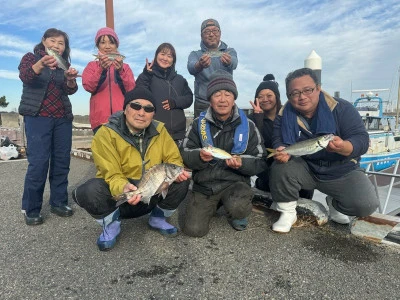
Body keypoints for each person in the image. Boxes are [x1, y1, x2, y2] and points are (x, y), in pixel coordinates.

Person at [72, 87, 191, 251]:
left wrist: (176, 174)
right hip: (122, 197)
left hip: (151, 193)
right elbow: (111, 174)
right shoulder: (105, 134)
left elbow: (173, 159)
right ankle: (111, 224)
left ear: (153, 114)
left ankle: (157, 217)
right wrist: (123, 187)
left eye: (148, 109)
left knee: (182, 180)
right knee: (89, 190)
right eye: (136, 106)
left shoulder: (161, 130)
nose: (142, 112)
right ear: (125, 109)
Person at [269, 67, 379, 233]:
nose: (302, 97)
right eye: (295, 93)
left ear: (318, 88)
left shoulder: (342, 108)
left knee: (366, 205)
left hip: (341, 168)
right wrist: (281, 150)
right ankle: (287, 212)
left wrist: (344, 147)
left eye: (308, 90)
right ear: (288, 96)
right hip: (305, 167)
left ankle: (335, 204)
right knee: (279, 168)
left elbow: (361, 139)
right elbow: (278, 139)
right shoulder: (283, 114)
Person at [181, 70, 268, 237]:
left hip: (235, 183)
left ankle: (236, 213)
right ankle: (213, 205)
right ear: (210, 99)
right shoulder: (197, 124)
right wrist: (199, 156)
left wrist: (242, 163)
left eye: (227, 94)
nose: (222, 99)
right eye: (217, 94)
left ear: (234, 98)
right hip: (205, 185)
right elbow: (184, 152)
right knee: (194, 230)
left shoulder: (248, 125)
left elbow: (261, 159)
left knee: (238, 207)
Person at [18, 28, 79, 225]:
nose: (56, 45)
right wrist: (40, 64)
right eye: (52, 41)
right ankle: (31, 207)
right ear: (44, 41)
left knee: (62, 161)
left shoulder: (64, 64)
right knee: (38, 163)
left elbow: (70, 90)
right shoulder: (30, 58)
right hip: (37, 117)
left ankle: (59, 202)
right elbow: (26, 76)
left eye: (61, 43)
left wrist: (70, 80)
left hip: (62, 118)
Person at [248, 74, 314, 199]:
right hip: (267, 165)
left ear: (277, 97)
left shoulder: (289, 114)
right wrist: (258, 118)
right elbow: (255, 143)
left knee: (304, 193)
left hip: (294, 161)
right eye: (260, 97)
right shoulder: (251, 119)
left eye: (269, 95)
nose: (265, 99)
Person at [136, 43, 193, 145]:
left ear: (173, 60)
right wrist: (146, 75)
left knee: (176, 161)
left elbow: (189, 98)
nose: (165, 58)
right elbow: (139, 93)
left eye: (169, 56)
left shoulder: (180, 79)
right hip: (154, 132)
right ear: (156, 55)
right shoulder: (148, 76)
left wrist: (175, 102)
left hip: (178, 135)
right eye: (162, 54)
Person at [82, 27, 136, 133]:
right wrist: (101, 69)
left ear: (116, 45)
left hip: (123, 120)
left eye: (111, 43)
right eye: (103, 42)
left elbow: (131, 90)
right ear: (98, 45)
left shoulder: (126, 67)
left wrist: (121, 71)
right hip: (100, 121)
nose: (107, 47)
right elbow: (88, 86)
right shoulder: (92, 65)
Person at [187, 18, 238, 118]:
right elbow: (191, 67)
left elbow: (234, 63)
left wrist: (229, 62)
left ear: (220, 33)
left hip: (224, 102)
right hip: (202, 103)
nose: (211, 34)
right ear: (202, 36)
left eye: (214, 31)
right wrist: (200, 65)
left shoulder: (230, 51)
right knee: (200, 131)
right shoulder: (195, 54)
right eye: (207, 32)